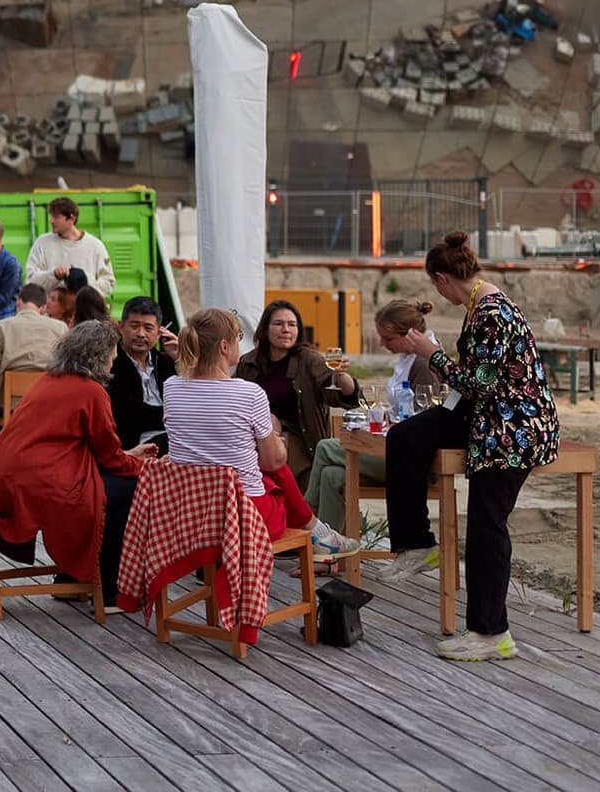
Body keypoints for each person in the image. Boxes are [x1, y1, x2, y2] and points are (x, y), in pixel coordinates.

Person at [375, 233, 560, 662]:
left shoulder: (491, 311)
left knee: (486, 524)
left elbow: (482, 384)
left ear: (441, 280)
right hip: (488, 414)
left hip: (513, 427)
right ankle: (417, 543)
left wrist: (432, 354)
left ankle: (491, 632)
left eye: (435, 286)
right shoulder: (481, 304)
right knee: (405, 437)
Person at [0, 320, 156, 601]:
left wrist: (127, 456)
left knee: (111, 486)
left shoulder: (50, 379)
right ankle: (108, 588)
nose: (114, 360)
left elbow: (90, 447)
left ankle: (72, 576)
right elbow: (110, 457)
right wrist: (142, 465)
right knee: (129, 491)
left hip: (6, 479)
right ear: (99, 355)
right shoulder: (92, 391)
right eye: (112, 354)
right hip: (35, 486)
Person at [165, 307, 358, 560]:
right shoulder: (249, 393)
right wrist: (274, 442)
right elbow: (273, 461)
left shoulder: (171, 386)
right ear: (224, 346)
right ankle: (318, 532)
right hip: (244, 516)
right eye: (237, 338)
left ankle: (319, 533)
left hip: (190, 512)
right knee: (273, 468)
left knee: (263, 471)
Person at [303, 299, 444, 522]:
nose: (382, 343)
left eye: (388, 338)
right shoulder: (408, 360)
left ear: (410, 335)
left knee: (325, 447)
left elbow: (423, 418)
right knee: (332, 475)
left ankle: (305, 514)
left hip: (414, 461)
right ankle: (329, 542)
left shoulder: (423, 365)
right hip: (397, 448)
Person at [237, 298, 359, 479]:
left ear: (299, 330)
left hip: (301, 441)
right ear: (265, 329)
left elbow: (342, 396)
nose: (286, 330)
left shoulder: (310, 360)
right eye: (278, 324)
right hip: (257, 439)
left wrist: (341, 376)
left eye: (292, 324)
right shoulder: (249, 362)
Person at [0, 283, 63, 438]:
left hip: (11, 403)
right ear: (43, 307)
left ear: (18, 301)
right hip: (47, 400)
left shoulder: (1, 327)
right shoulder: (60, 328)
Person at [107, 296, 179, 453]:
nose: (141, 334)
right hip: (133, 446)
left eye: (148, 328)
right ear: (120, 327)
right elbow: (130, 414)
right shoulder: (112, 363)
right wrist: (172, 414)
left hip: (171, 440)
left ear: (159, 332)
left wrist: (181, 359)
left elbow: (187, 403)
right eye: (134, 326)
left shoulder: (165, 362)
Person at [23, 197, 115, 297]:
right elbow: (30, 281)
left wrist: (83, 282)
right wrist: (54, 275)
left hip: (82, 311)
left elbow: (109, 283)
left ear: (72, 219)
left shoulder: (95, 246)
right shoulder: (42, 243)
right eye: (51, 216)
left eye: (56, 217)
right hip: (50, 311)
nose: (51, 221)